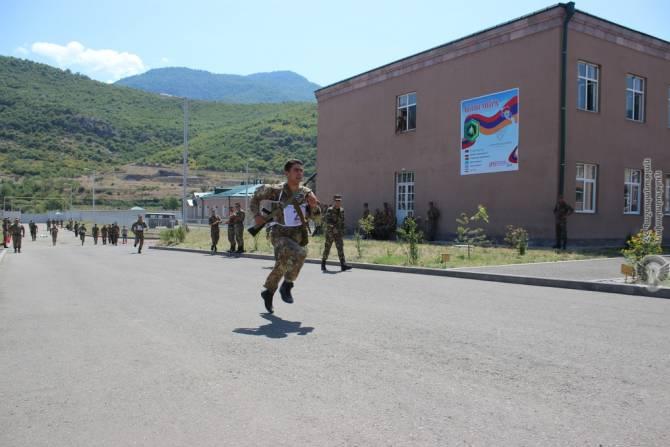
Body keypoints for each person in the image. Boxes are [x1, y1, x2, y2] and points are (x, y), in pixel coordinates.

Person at [250, 159, 321, 313]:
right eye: (296, 170)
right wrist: (256, 215)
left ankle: (268, 292)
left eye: (301, 170)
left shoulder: (306, 193)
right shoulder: (276, 190)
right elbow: (255, 197)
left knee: (283, 265)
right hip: (279, 233)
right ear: (287, 173)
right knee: (301, 253)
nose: (300, 173)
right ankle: (287, 285)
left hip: (297, 235)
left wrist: (314, 206)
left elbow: (316, 217)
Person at [321, 194, 352, 272]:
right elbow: (327, 221)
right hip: (330, 233)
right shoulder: (330, 210)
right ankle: (323, 264)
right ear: (334, 201)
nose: (338, 202)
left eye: (339, 201)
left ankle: (343, 265)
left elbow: (342, 222)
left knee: (340, 248)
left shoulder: (342, 210)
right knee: (327, 248)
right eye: (337, 200)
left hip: (338, 233)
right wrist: (333, 228)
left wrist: (343, 231)